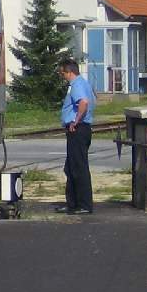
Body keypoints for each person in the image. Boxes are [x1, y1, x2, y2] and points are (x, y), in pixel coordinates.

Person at [57, 57, 96, 215]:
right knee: (71, 167)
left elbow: (84, 103)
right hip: (79, 129)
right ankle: (72, 203)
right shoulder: (82, 84)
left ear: (69, 72)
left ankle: (84, 204)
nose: (62, 77)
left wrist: (76, 120)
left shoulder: (77, 85)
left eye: (62, 74)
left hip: (78, 129)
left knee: (79, 168)